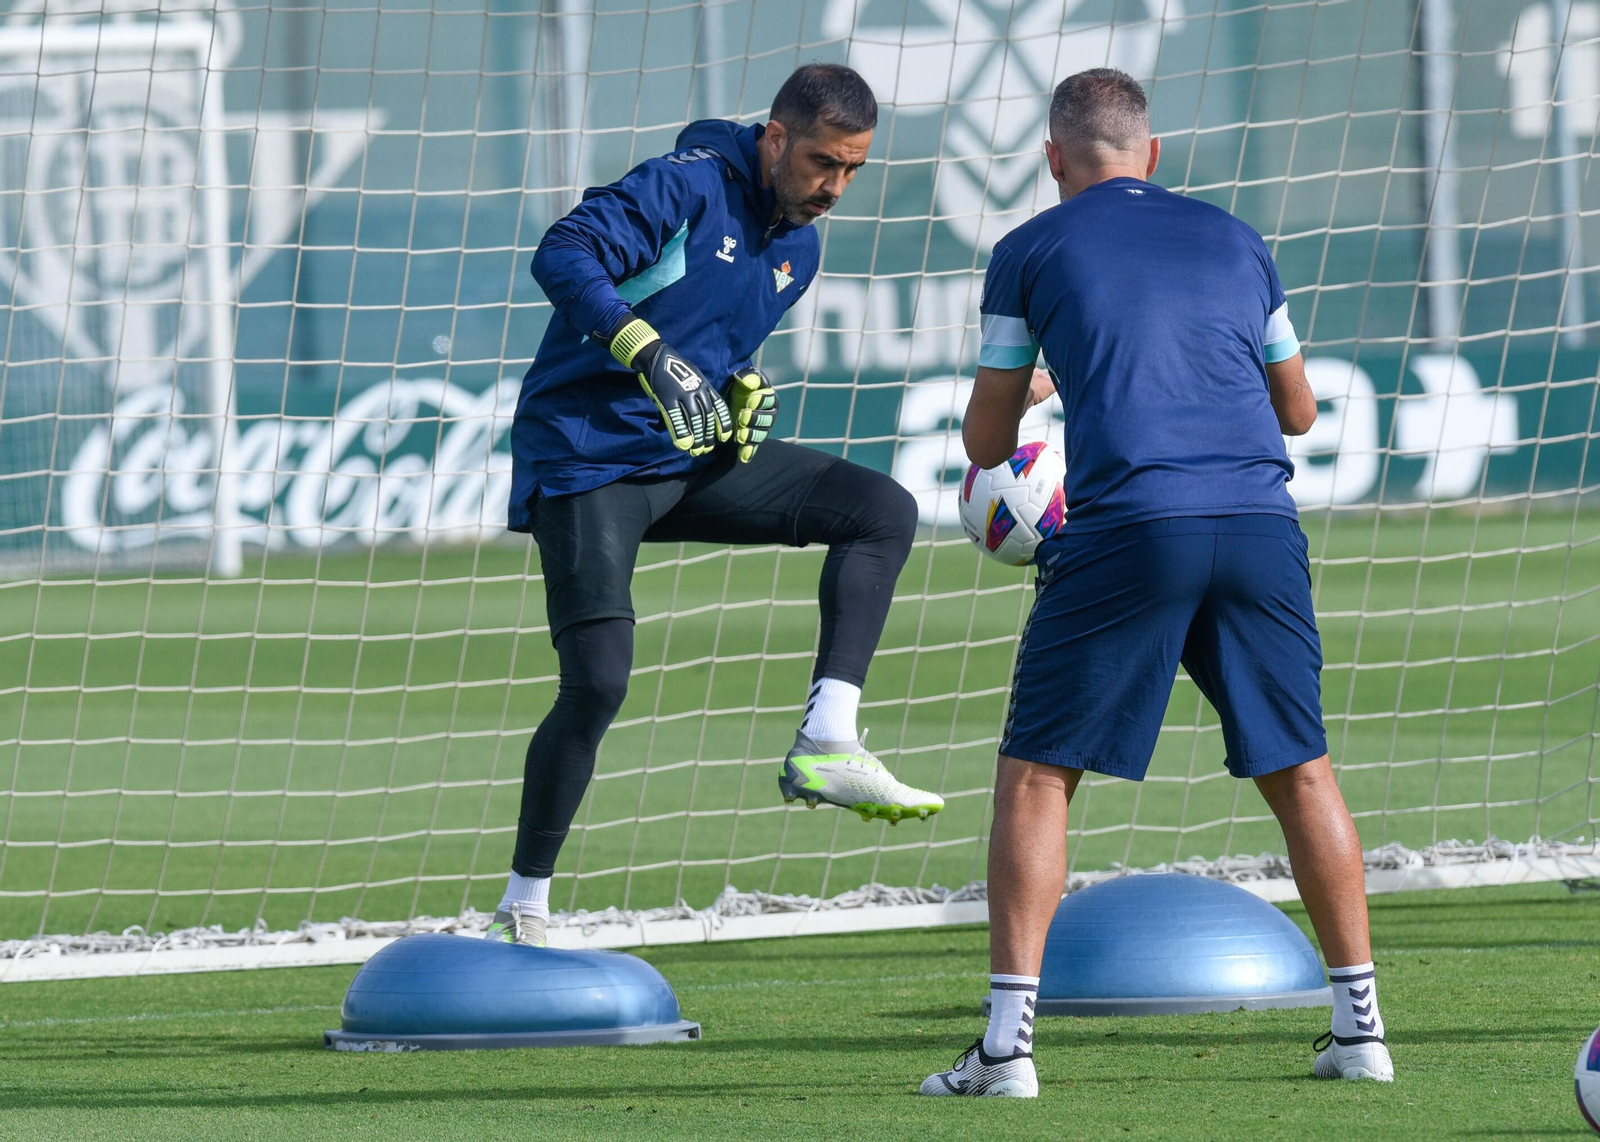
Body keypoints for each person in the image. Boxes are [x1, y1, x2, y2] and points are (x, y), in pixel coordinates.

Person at [920, 68, 1391, 1097]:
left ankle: (1005, 1051)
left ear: (1052, 160)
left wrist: (1043, 385)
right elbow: (1299, 412)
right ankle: (1362, 1033)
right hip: (1260, 524)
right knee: (1303, 769)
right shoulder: (1237, 239)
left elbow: (987, 441)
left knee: (1038, 775)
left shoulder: (1030, 248)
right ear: (1154, 153)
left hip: (1132, 525)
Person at [488, 64, 944, 949]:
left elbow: (717, 354)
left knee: (880, 509)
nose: (835, 187)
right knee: (599, 682)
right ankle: (523, 907)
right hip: (586, 460)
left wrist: (739, 400)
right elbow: (562, 253)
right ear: (775, 138)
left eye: (853, 170)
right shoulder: (685, 186)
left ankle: (828, 741)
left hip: (686, 461)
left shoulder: (800, 247)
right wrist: (645, 349)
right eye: (822, 162)